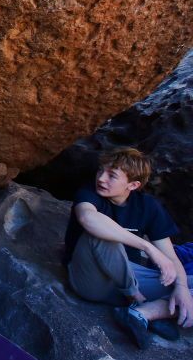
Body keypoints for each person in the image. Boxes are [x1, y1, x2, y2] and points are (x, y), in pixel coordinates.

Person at [63, 147, 193, 348]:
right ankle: (137, 300)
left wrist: (182, 288)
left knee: (186, 284)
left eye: (112, 175)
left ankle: (142, 314)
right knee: (101, 232)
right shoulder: (89, 192)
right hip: (92, 279)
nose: (101, 178)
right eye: (101, 171)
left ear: (133, 185)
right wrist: (148, 248)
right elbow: (88, 218)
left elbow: (171, 257)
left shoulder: (148, 206)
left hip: (131, 274)